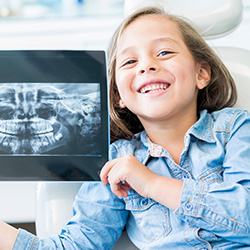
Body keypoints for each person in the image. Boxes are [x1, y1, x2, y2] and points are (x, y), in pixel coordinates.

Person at [1, 6, 250, 249]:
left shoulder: (236, 129)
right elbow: (74, 246)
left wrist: (151, 183)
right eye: (130, 61)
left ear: (202, 73)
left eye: (164, 53)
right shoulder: (116, 161)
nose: (146, 66)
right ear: (118, 94)